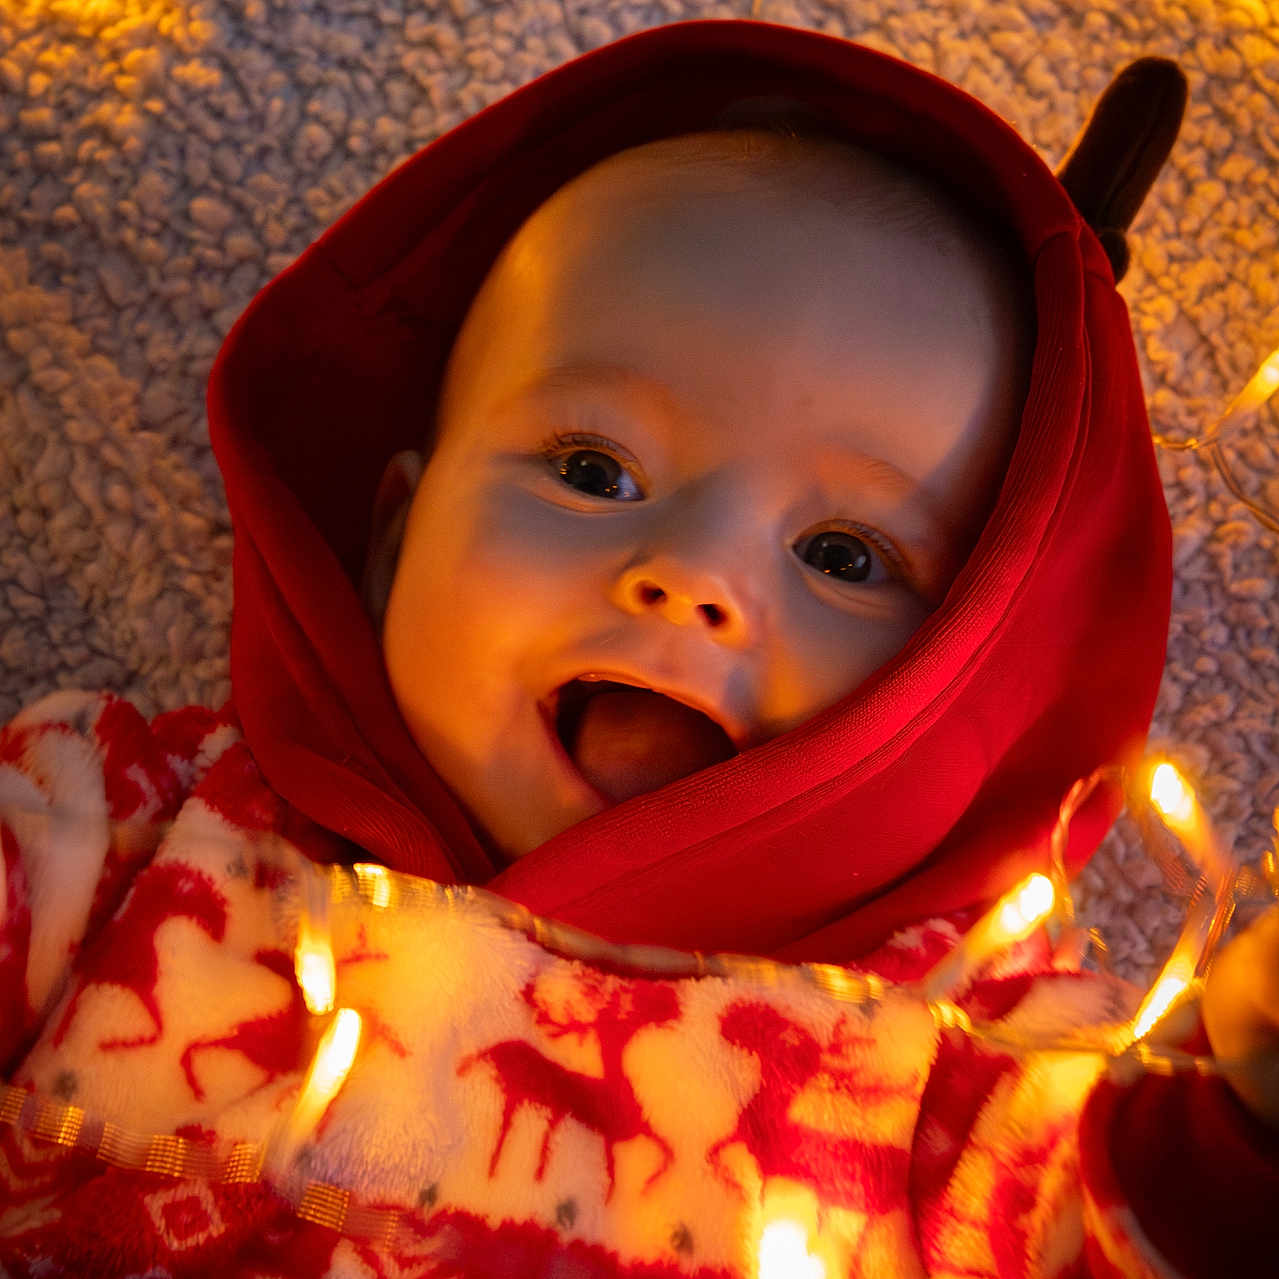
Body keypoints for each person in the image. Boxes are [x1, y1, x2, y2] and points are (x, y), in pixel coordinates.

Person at [0, 18, 1274, 1277]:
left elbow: (1119, 1229)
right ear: (396, 536)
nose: (694, 576)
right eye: (593, 468)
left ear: (962, 679)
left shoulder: (961, 1059)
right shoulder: (122, 834)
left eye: (843, 555)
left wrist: (1239, 1133)